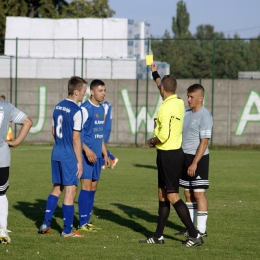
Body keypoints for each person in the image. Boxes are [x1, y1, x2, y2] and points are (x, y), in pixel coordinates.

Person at [139, 64, 203, 247]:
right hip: (172, 154)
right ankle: (158, 236)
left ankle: (194, 234)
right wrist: (155, 74)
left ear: (162, 90)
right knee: (162, 194)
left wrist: (151, 141)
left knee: (172, 195)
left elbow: (163, 136)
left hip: (168, 154)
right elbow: (164, 85)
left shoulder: (166, 108)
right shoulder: (179, 102)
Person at [38, 76, 87, 238]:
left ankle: (46, 222)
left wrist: (60, 143)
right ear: (75, 92)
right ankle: (67, 230)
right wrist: (79, 161)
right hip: (68, 155)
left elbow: (53, 131)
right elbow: (75, 138)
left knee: (57, 188)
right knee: (71, 190)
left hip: (56, 151)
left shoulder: (58, 106)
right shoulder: (77, 111)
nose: (84, 95)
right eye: (83, 92)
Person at [175, 84, 213, 237]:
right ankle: (189, 227)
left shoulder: (205, 116)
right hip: (184, 157)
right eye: (188, 96)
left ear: (200, 98)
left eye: (191, 97)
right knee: (187, 194)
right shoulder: (186, 113)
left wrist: (194, 163)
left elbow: (204, 142)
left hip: (198, 158)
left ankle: (202, 231)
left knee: (199, 193)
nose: (188, 99)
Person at [78, 79, 110, 232]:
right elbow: (77, 134)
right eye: (100, 90)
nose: (103, 93)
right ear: (92, 92)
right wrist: (87, 150)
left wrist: (105, 154)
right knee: (85, 187)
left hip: (97, 156)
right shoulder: (85, 109)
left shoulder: (102, 108)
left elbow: (99, 134)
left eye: (104, 90)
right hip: (86, 156)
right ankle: (82, 222)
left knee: (93, 187)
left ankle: (87, 220)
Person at [0, 99, 33, 244]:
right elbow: (28, 122)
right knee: (1, 193)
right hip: (1, 157)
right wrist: (16, 142)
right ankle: (2, 229)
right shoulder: (5, 106)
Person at [101, 99, 118, 169]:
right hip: (107, 127)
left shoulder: (105, 105)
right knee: (101, 146)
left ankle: (110, 159)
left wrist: (99, 126)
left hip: (104, 127)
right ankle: (106, 161)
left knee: (101, 145)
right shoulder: (108, 104)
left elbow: (104, 117)